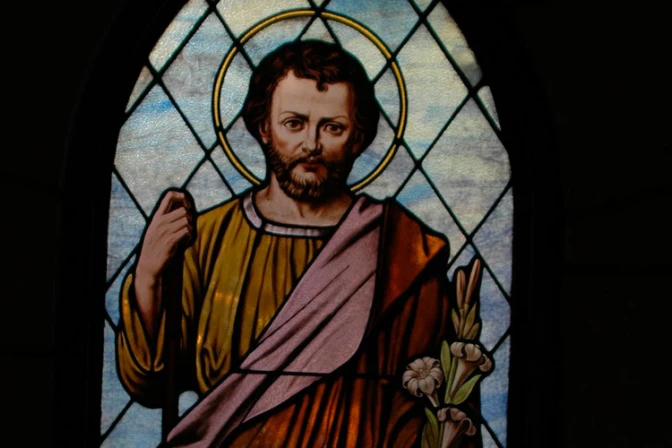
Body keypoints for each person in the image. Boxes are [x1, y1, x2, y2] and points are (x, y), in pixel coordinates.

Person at [116, 40, 482, 447]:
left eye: (333, 127)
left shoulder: (400, 253)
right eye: (294, 123)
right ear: (263, 128)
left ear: (358, 138)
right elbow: (151, 384)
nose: (312, 144)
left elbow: (436, 411)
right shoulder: (206, 240)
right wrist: (149, 276)